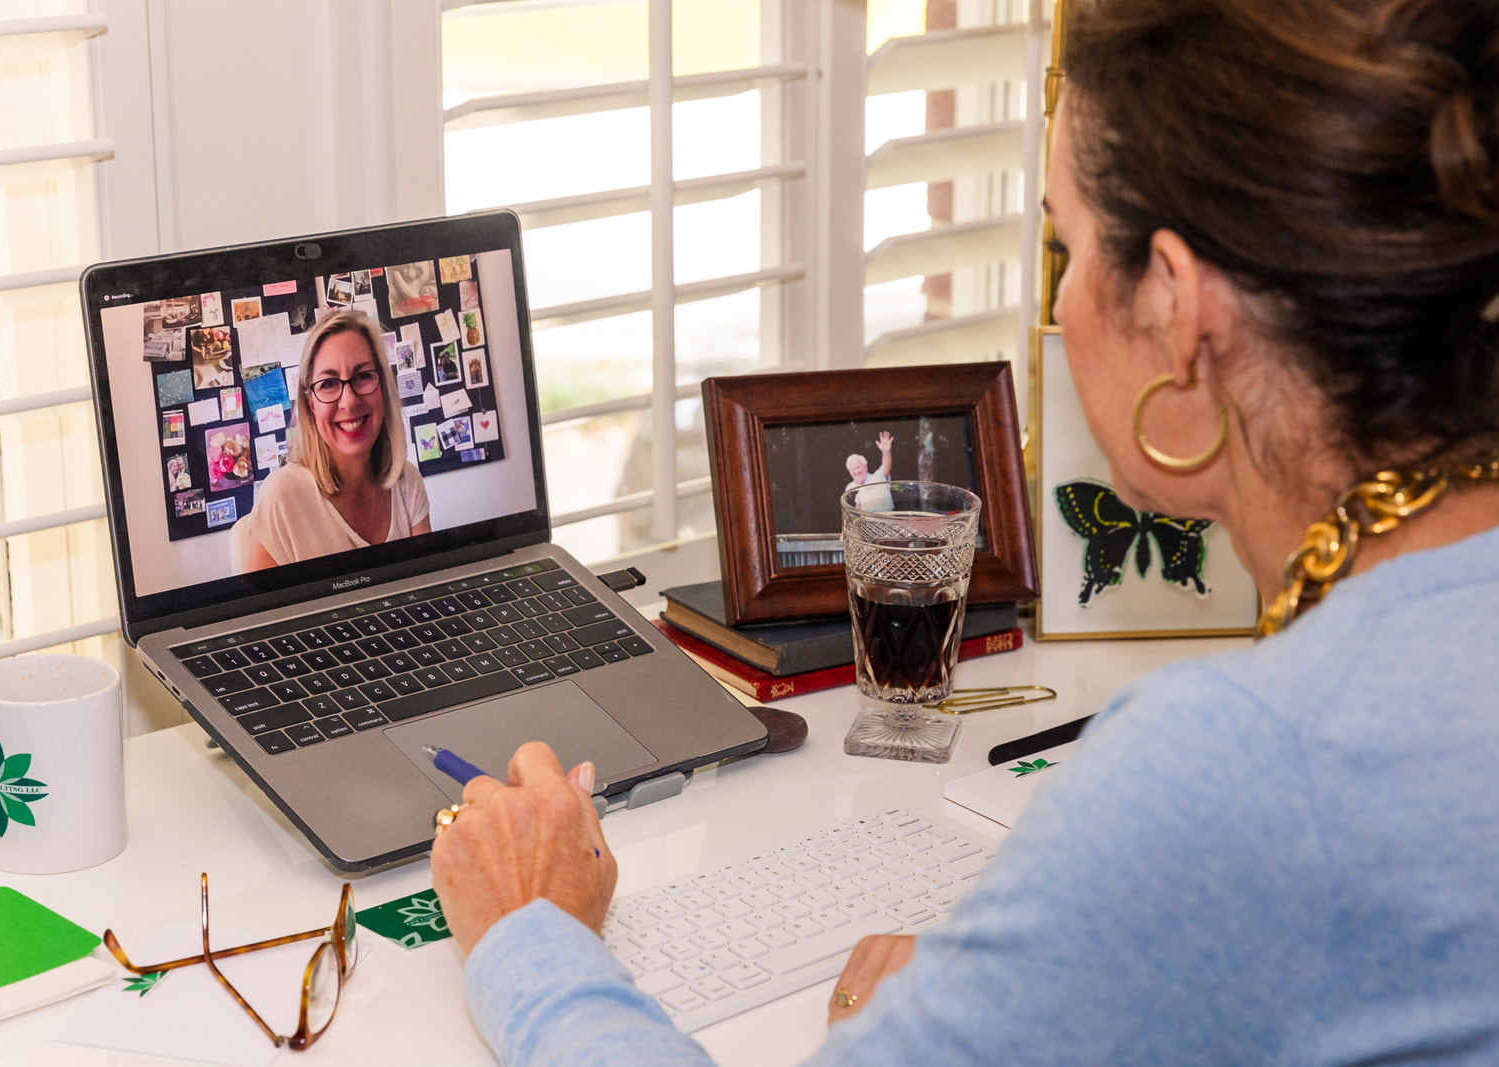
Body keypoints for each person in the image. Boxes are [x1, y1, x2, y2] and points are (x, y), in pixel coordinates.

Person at [429, 0, 1499, 1062]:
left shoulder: (1237, 765)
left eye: (1063, 244)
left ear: (1177, 310)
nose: (1062, 299)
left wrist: (533, 936)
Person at [241, 310, 431, 570]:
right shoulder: (281, 498)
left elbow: (426, 583)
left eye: (363, 376)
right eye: (329, 383)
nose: (349, 401)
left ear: (383, 389)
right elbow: (265, 611)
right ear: (311, 405)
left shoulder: (407, 481)